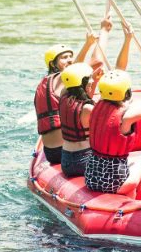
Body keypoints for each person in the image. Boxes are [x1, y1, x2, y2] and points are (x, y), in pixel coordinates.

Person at [58, 21, 135, 177]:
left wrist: (92, 77)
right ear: (84, 83)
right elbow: (118, 76)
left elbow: (72, 74)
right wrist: (128, 40)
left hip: (65, 160)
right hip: (83, 160)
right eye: (90, 79)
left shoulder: (63, 95)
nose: (93, 80)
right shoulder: (89, 109)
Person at [34, 24, 102, 164]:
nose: (70, 60)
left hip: (50, 151)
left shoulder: (45, 84)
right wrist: (88, 44)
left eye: (71, 56)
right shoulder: (59, 80)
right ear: (52, 64)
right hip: (63, 150)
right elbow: (78, 68)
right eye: (64, 57)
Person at [85, 69, 141, 193]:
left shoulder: (96, 108)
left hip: (91, 178)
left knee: (132, 163)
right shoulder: (126, 117)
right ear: (127, 93)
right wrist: (128, 103)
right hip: (114, 184)